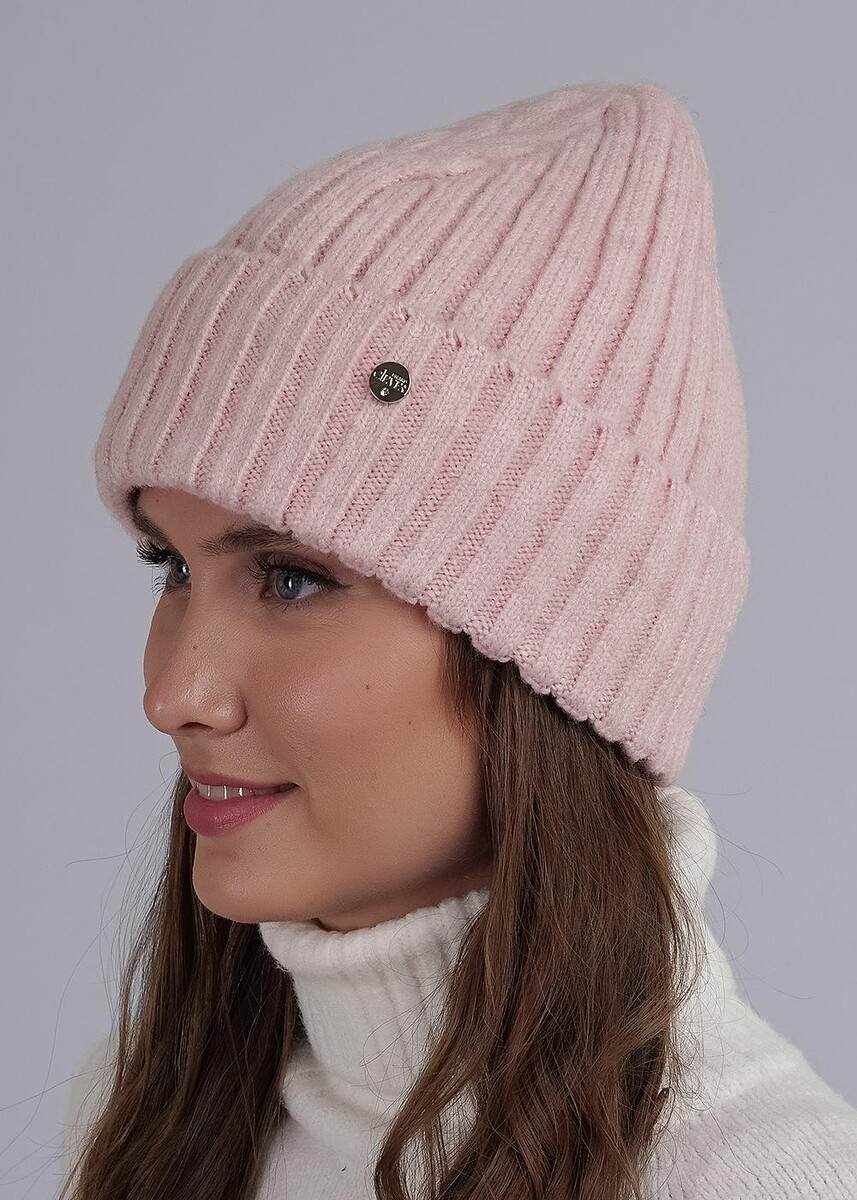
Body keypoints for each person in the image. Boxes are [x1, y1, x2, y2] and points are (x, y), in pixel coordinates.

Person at [61, 82, 857, 1199]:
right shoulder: (147, 1111)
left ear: (552, 661)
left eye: (291, 579)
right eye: (172, 568)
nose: (175, 693)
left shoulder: (759, 1178)